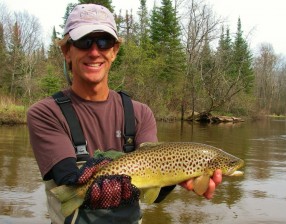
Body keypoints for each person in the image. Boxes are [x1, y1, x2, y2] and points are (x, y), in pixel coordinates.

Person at [27, 3, 222, 224]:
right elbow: (68, 181)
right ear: (66, 51)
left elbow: (154, 194)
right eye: (84, 42)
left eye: (104, 42)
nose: (94, 51)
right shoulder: (45, 112)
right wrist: (91, 182)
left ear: (114, 51)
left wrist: (179, 177)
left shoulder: (140, 113)